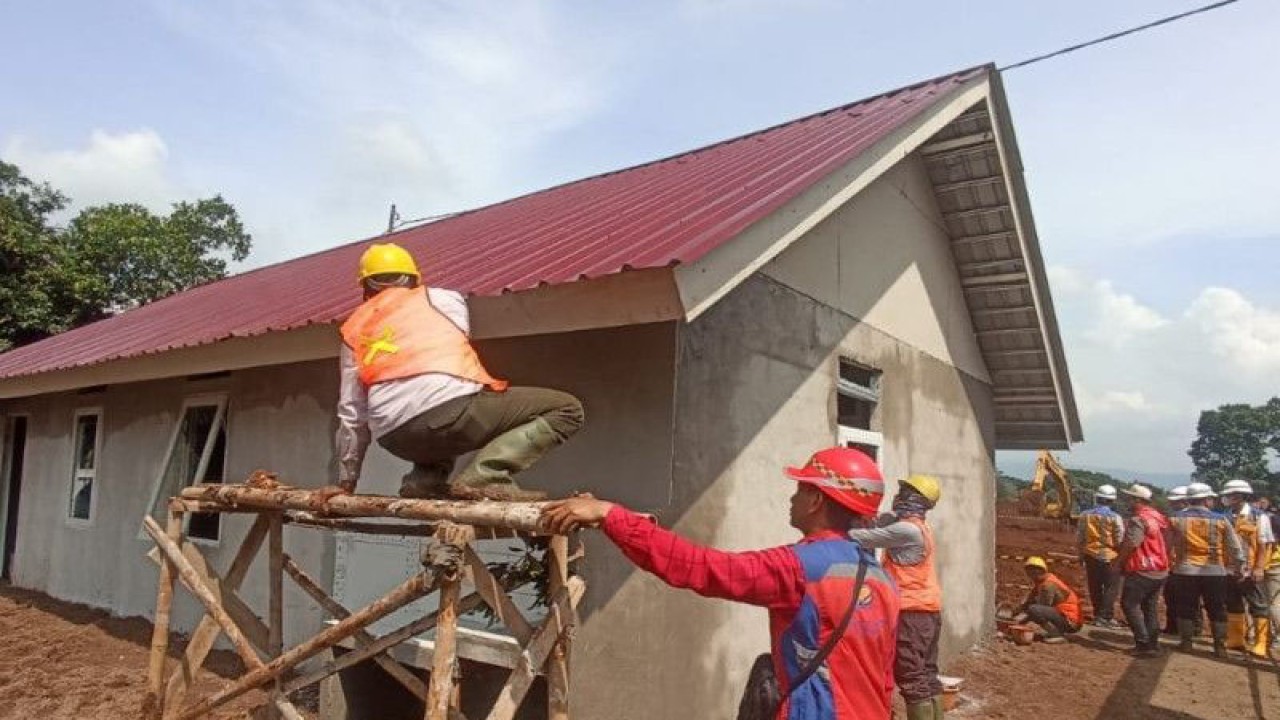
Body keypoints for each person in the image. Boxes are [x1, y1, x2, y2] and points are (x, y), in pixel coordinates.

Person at [541, 447, 901, 720]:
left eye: (800, 489)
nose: (792, 497)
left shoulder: (799, 568)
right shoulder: (881, 579)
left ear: (816, 500)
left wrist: (609, 515)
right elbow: (884, 678)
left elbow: (700, 568)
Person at [331, 243, 584, 500]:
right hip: (449, 416)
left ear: (365, 287)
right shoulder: (443, 298)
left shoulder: (353, 329)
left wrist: (346, 482)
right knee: (567, 409)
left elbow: (351, 414)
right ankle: (487, 475)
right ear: (414, 279)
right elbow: (458, 343)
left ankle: (424, 480)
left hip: (394, 438)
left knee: (441, 417)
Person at [847, 475, 944, 720]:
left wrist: (837, 524)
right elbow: (882, 523)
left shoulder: (907, 530)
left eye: (905, 493)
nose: (898, 497)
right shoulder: (919, 526)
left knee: (910, 676)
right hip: (927, 610)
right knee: (927, 673)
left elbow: (860, 537)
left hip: (911, 611)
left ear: (916, 500)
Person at [1168, 482, 1245, 657]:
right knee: (1217, 608)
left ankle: (1186, 643)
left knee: (1185, 606)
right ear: (1206, 499)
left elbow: (1167, 545)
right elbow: (1235, 547)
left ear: (1189, 499)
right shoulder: (1220, 519)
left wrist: (1167, 564)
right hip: (1215, 571)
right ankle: (1220, 647)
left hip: (1185, 570)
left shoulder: (1175, 518)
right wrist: (1239, 566)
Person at [1112, 483, 1170, 658]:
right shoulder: (1159, 517)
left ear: (1138, 500)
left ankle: (1143, 643)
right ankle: (1152, 644)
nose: (1128, 501)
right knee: (1149, 607)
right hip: (1160, 569)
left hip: (1142, 568)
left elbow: (1132, 543)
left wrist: (1118, 561)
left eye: (1130, 498)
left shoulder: (1138, 520)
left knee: (1129, 604)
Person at [1218, 479, 1275, 657]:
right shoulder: (1225, 516)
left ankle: (1260, 643)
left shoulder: (1259, 517)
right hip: (1229, 569)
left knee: (1258, 605)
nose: (1227, 498)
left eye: (1230, 495)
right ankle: (1236, 639)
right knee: (1233, 603)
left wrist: (1259, 568)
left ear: (1240, 496)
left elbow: (1264, 544)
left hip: (1251, 570)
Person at [1076, 485, 1125, 627]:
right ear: (1112, 500)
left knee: (1094, 586)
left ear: (1097, 498)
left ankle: (1098, 614)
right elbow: (1119, 539)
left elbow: (1080, 538)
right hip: (1110, 556)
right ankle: (1105, 617)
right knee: (1111, 588)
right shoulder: (1115, 518)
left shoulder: (1085, 515)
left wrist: (1081, 555)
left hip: (1090, 555)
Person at [1014, 556, 1082, 643]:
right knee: (1033, 609)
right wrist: (1017, 614)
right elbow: (1029, 601)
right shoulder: (1041, 582)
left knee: (1034, 610)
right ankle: (1055, 632)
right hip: (1064, 617)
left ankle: (1057, 634)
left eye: (1031, 573)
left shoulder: (1048, 585)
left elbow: (1041, 607)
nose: (1030, 576)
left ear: (1039, 571)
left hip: (1071, 621)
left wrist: (1021, 620)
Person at [1161, 486, 1190, 636]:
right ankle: (1190, 629)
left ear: (1184, 502)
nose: (1171, 504)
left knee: (1173, 597)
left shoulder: (1175, 519)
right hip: (1189, 564)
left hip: (1177, 564)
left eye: (1174, 502)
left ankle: (1174, 628)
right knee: (1188, 598)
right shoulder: (1191, 518)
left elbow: (1167, 543)